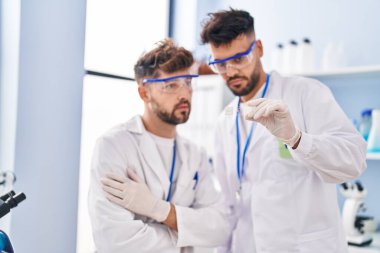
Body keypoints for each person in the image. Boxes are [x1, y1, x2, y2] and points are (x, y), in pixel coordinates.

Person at [200, 8, 367, 253]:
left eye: (238, 59)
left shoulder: (306, 93)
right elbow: (228, 204)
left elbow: (354, 160)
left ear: (258, 49)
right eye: (220, 65)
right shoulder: (225, 121)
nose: (231, 72)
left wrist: (296, 139)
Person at [88, 39, 230, 253]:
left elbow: (219, 228)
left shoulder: (195, 155)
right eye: (171, 85)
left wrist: (159, 210)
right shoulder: (113, 146)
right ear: (144, 93)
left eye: (188, 83)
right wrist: (185, 238)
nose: (184, 94)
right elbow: (116, 242)